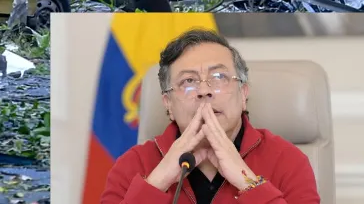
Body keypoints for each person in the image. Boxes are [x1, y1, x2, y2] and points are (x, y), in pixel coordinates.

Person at [101, 29, 320, 204]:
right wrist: (158, 181)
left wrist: (246, 180)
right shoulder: (132, 165)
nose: (204, 91)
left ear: (243, 95)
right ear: (168, 104)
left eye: (219, 77)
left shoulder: (287, 161)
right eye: (188, 81)